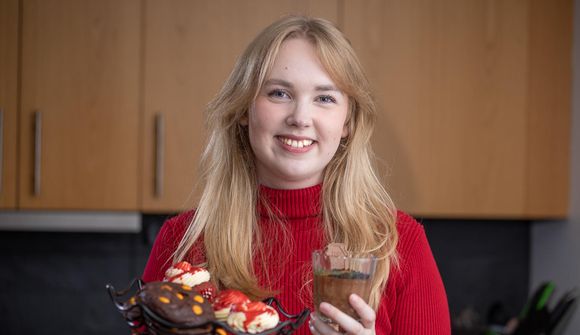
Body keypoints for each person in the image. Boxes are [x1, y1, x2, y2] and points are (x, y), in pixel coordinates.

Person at [143, 15, 450, 335]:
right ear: (244, 109)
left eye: (325, 98)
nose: (301, 118)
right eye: (279, 93)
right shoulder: (182, 242)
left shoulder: (400, 244)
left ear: (347, 122)